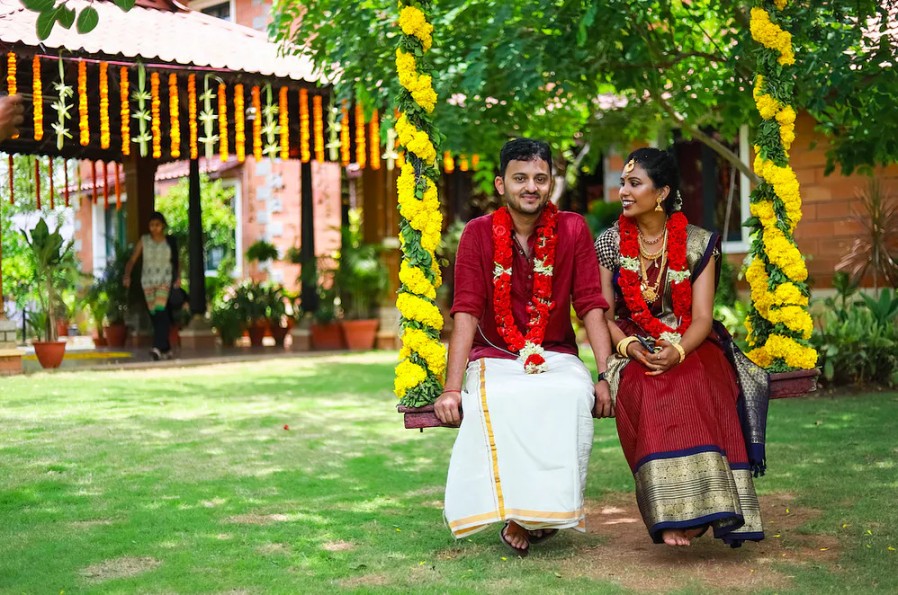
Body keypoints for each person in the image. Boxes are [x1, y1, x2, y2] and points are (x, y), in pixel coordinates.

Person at [434, 138, 614, 558]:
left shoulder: (572, 229)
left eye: (540, 178)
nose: (530, 187)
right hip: (495, 356)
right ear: (501, 184)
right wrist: (449, 387)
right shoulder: (478, 234)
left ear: (550, 183)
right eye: (520, 178)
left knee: (571, 393)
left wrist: (606, 376)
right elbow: (466, 312)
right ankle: (524, 511)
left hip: (556, 352)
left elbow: (591, 305)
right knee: (498, 397)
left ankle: (534, 515)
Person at [595, 147, 768, 548]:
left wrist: (678, 351)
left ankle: (708, 507)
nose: (623, 190)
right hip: (630, 341)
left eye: (634, 183)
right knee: (646, 386)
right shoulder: (608, 243)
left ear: (661, 192)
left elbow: (704, 317)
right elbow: (602, 313)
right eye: (623, 182)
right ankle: (668, 514)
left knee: (693, 379)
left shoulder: (698, 242)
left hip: (691, 339)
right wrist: (629, 347)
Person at [124, 211, 181, 360]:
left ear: (162, 225)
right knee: (155, 316)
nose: (154, 228)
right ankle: (166, 348)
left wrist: (178, 278)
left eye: (157, 225)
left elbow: (176, 261)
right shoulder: (144, 241)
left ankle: (156, 347)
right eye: (151, 225)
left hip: (164, 280)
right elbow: (133, 259)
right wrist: (127, 275)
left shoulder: (170, 242)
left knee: (161, 312)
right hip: (148, 282)